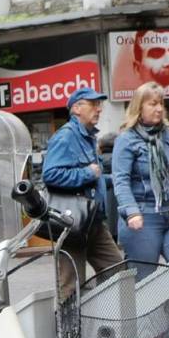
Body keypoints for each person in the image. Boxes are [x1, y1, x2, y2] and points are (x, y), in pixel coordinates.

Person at [41, 87, 124, 296]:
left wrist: (112, 180)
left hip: (93, 220)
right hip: (73, 222)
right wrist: (87, 173)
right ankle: (69, 329)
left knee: (118, 272)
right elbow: (50, 175)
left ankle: (105, 319)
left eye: (100, 105)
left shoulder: (87, 137)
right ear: (77, 108)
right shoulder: (66, 137)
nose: (99, 109)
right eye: (93, 104)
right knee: (71, 286)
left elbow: (93, 177)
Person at [112, 81, 169, 279]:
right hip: (143, 218)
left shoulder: (167, 133)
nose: (159, 108)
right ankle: (139, 311)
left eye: (161, 103)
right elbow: (121, 180)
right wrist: (131, 212)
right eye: (152, 104)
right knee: (143, 282)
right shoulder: (126, 139)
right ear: (138, 107)